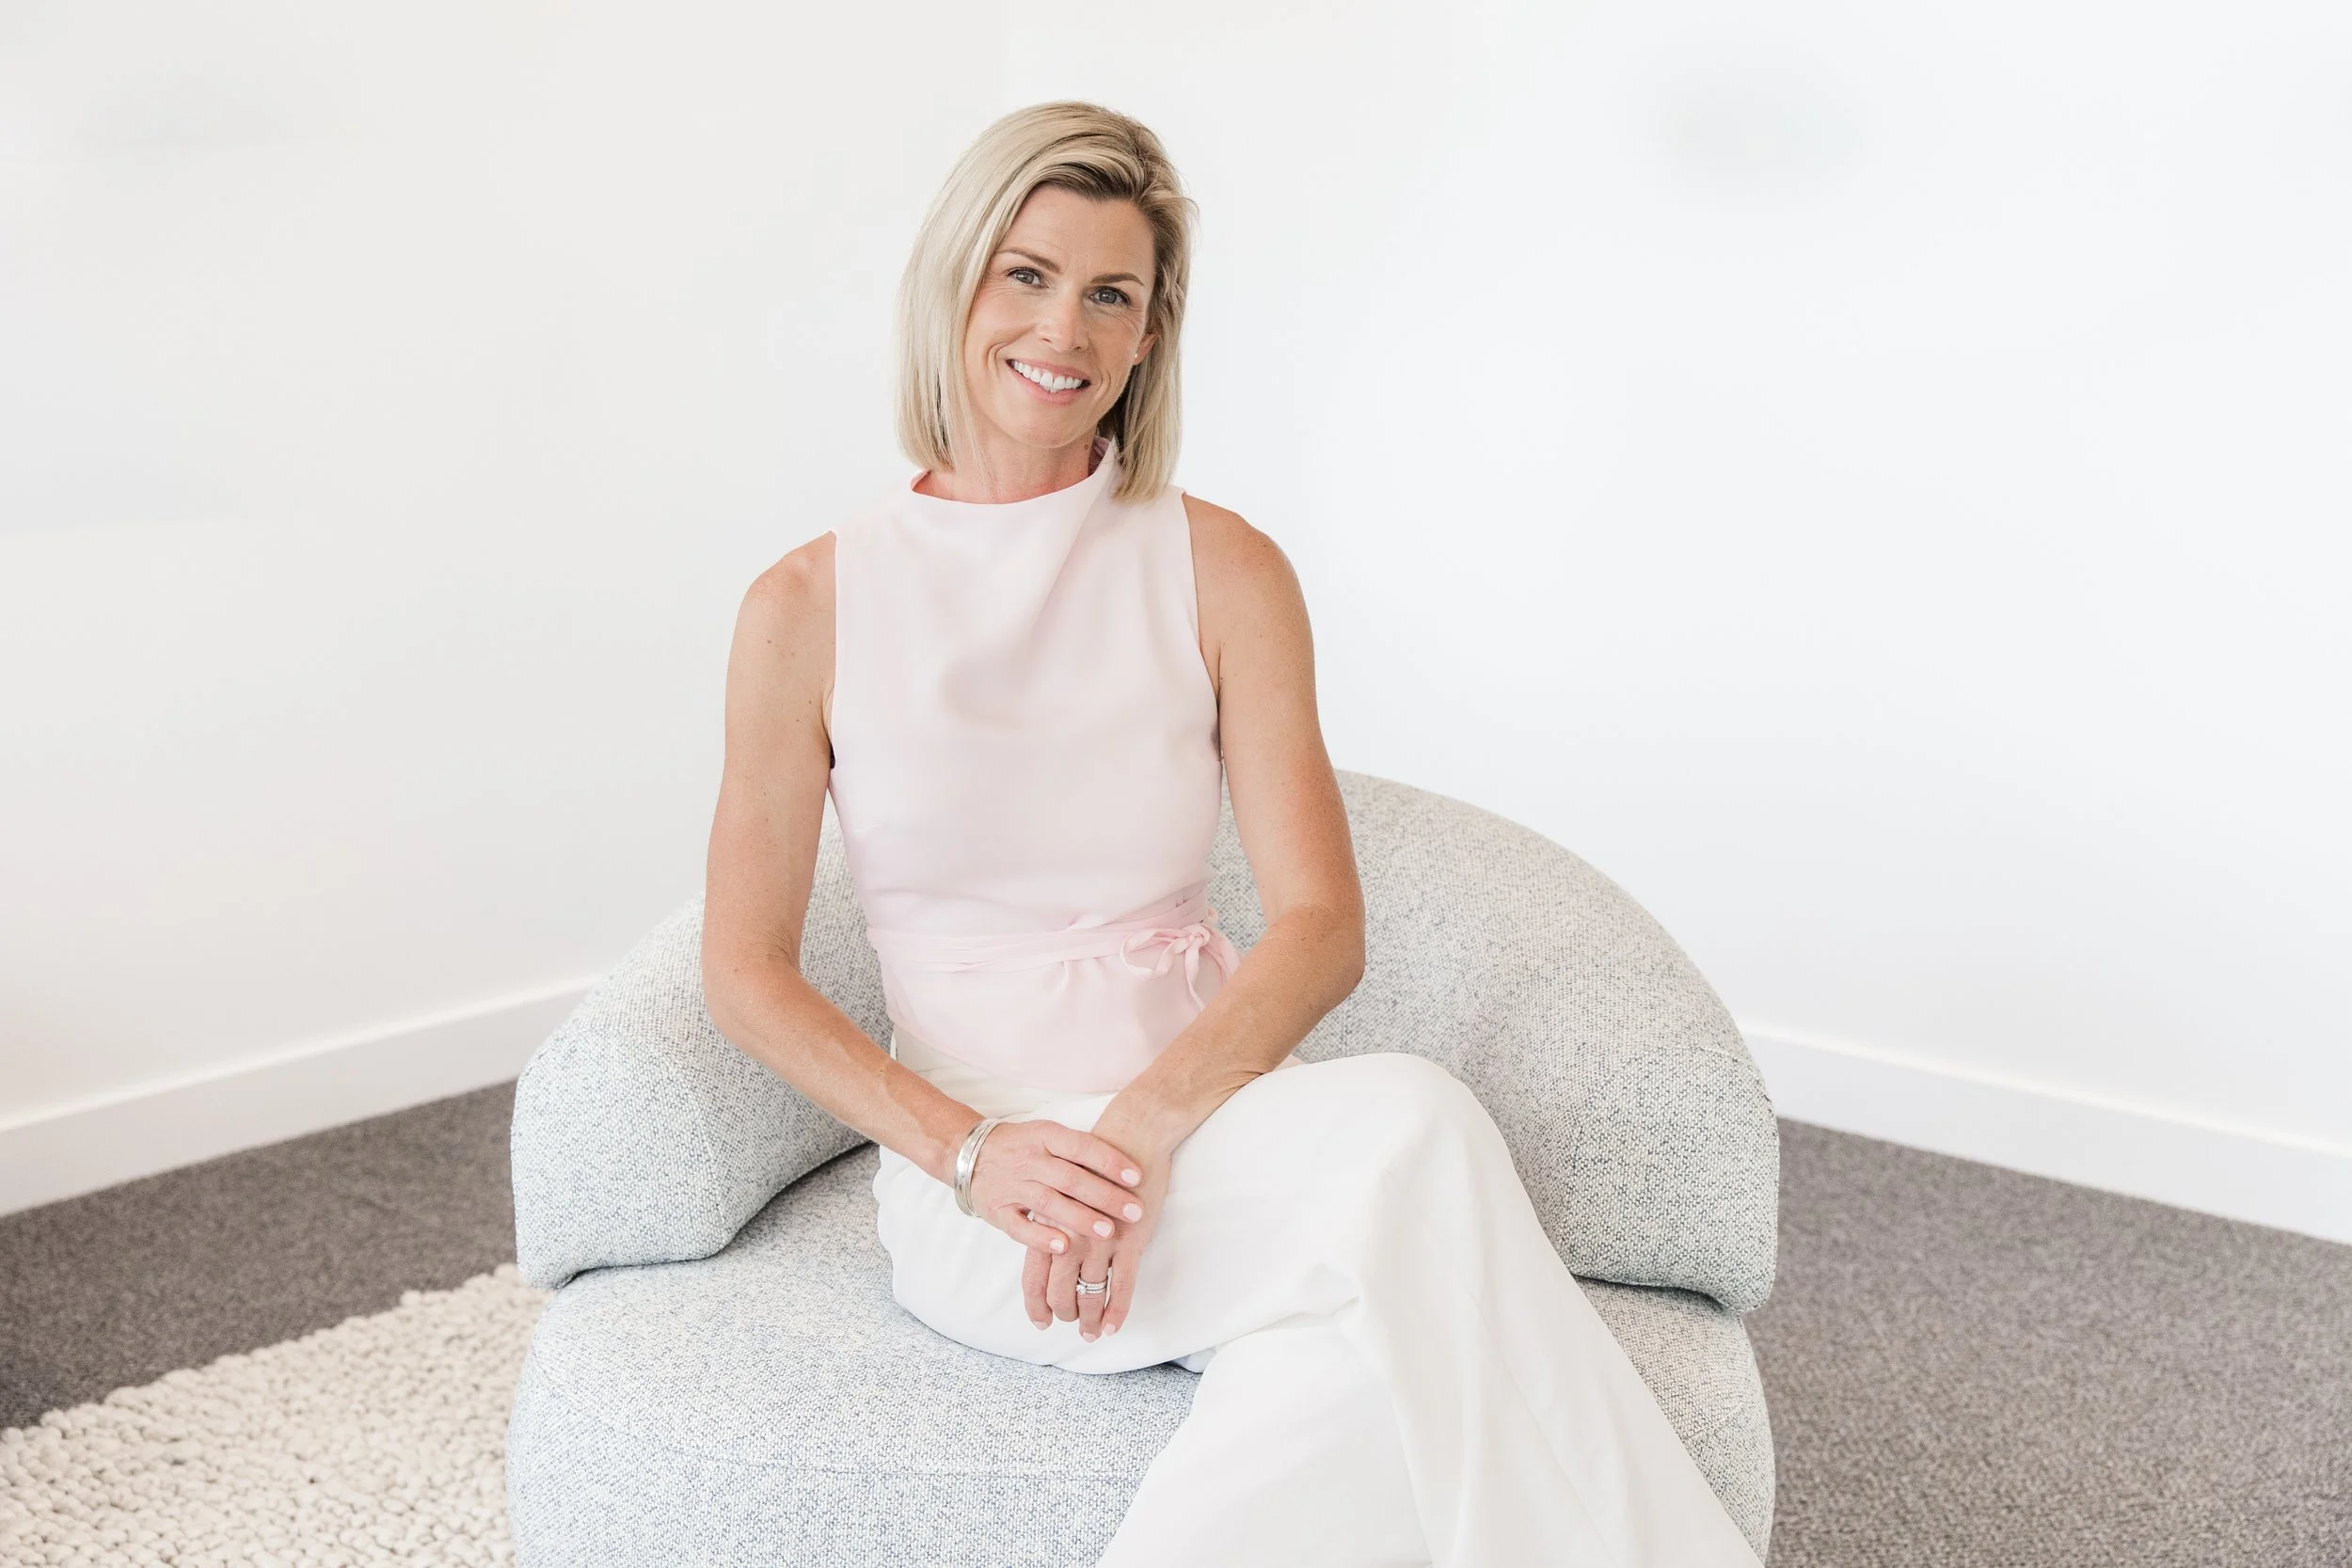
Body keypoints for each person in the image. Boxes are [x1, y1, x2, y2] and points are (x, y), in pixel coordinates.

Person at [699, 101, 1759, 1568]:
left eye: (1110, 293)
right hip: (990, 1186)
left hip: (1215, 1121)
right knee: (1417, 1161)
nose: (1061, 326)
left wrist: (1140, 1126)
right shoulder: (804, 607)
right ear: (954, 283)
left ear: (1148, 339)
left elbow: (1323, 922)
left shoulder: (1224, 568)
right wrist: (971, 1153)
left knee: (1348, 1335)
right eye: (1025, 272)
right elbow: (743, 972)